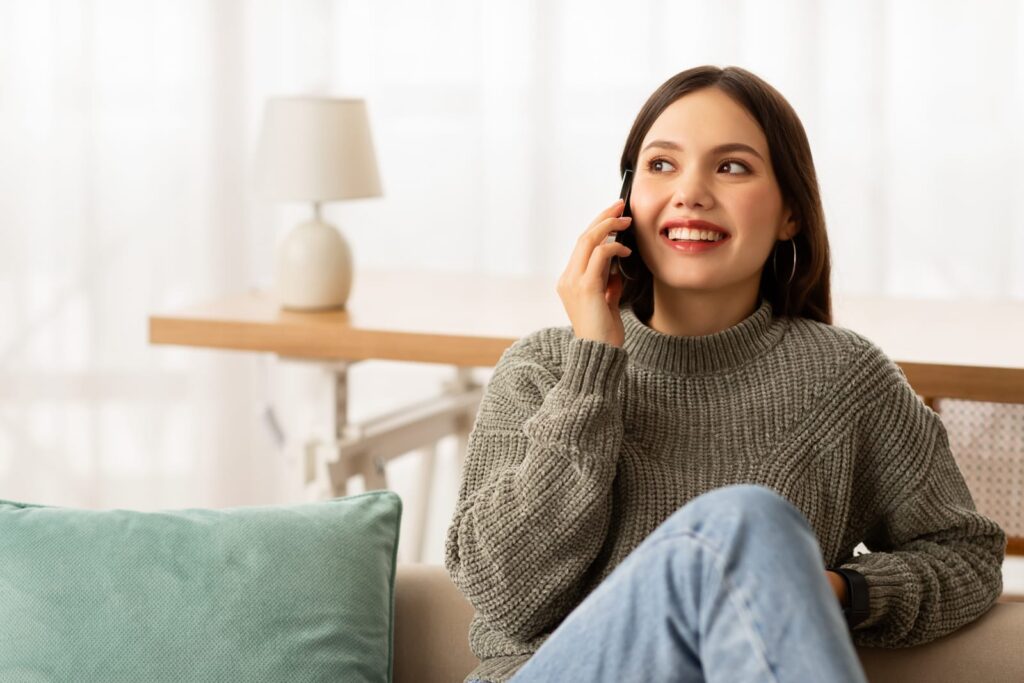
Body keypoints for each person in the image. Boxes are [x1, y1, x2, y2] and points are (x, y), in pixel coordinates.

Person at [444, 65, 1006, 683]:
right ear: (626, 201)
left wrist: (836, 589)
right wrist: (593, 369)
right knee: (743, 522)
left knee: (746, 528)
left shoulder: (847, 380)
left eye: (731, 167)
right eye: (661, 165)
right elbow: (503, 594)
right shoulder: (546, 369)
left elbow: (968, 557)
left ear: (791, 212)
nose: (691, 192)